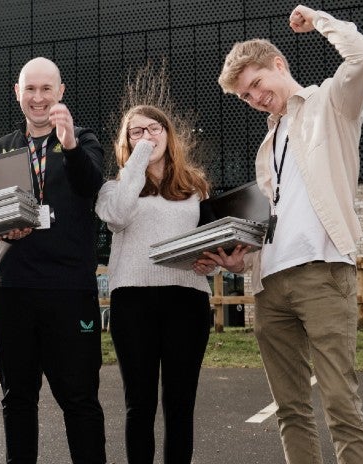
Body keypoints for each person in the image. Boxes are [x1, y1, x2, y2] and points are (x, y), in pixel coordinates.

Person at [199, 5, 363, 464]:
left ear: (279, 65)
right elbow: (273, 220)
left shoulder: (331, 104)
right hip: (269, 285)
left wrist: (318, 20)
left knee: (341, 405)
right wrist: (239, 260)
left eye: (257, 84)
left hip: (323, 273)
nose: (254, 98)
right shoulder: (268, 145)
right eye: (245, 96)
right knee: (290, 411)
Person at [0, 57, 106, 464]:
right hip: (12, 287)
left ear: (61, 92)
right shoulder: (1, 148)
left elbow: (90, 186)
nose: (38, 98)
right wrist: (1, 230)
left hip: (68, 289)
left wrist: (68, 143)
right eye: (30, 89)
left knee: (79, 398)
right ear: (17, 93)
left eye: (46, 89)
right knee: (17, 398)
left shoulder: (83, 139)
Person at [95, 105, 232, 463]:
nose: (147, 136)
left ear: (169, 135)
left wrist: (212, 265)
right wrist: (139, 159)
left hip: (187, 301)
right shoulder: (114, 189)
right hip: (133, 302)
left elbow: (212, 243)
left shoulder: (195, 186)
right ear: (126, 142)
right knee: (139, 404)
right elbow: (118, 216)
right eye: (136, 132)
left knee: (180, 405)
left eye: (154, 129)